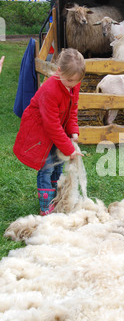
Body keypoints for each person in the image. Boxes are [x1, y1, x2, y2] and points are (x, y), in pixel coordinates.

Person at [13, 48, 86, 215]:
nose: (73, 85)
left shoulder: (72, 82)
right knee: (46, 167)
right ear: (59, 71)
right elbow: (51, 125)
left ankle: (55, 198)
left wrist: (73, 131)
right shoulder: (50, 90)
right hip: (40, 132)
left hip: (56, 131)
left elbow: (73, 108)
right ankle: (46, 207)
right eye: (70, 81)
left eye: (76, 82)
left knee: (58, 165)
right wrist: (69, 148)